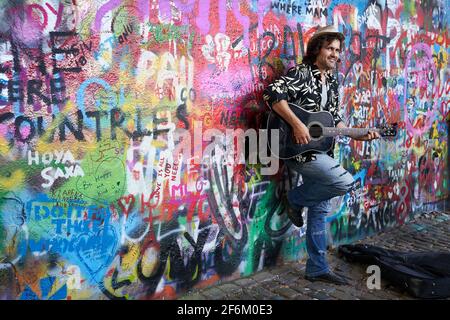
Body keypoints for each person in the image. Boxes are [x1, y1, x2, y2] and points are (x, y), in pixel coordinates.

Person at [263, 25, 380, 285]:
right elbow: (272, 93)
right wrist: (297, 124)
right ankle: (294, 198)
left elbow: (333, 122)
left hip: (319, 149)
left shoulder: (334, 81)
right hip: (296, 150)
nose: (335, 54)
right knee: (344, 182)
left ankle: (317, 267)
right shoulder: (302, 73)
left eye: (338, 50)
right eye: (330, 48)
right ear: (317, 49)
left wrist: (356, 133)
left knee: (320, 210)